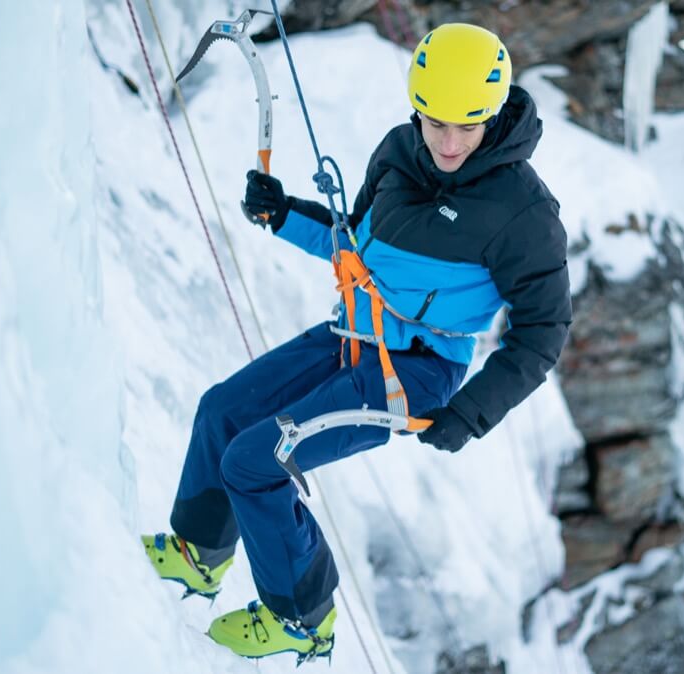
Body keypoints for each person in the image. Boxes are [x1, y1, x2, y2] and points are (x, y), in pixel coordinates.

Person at [142, 22, 571, 662]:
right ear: (417, 108)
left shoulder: (524, 213)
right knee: (221, 410)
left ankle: (303, 619)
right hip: (353, 332)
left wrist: (469, 412)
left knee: (257, 462)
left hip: (415, 374)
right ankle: (198, 554)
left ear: (494, 113)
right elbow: (354, 247)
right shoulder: (399, 152)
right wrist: (282, 213)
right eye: (436, 122)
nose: (449, 142)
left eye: (468, 126)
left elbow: (543, 333)